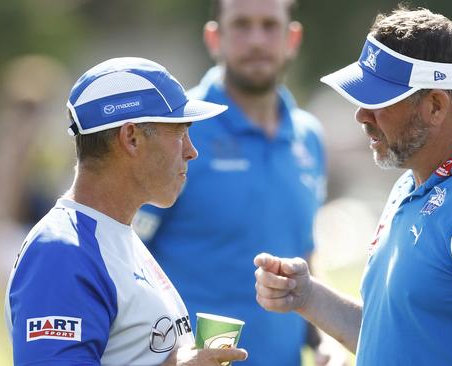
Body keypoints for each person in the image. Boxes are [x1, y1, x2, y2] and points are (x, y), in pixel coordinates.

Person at [254, 6, 452, 366]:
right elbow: (396, 335)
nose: (361, 115)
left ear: (435, 106)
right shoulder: (413, 183)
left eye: (378, 101)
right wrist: (307, 295)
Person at [132, 1, 340, 365]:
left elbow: (303, 253)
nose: (256, 40)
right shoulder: (174, 129)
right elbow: (120, 258)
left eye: (269, 26)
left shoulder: (309, 137)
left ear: (293, 39)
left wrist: (325, 338)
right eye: (241, 25)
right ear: (214, 38)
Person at [4, 57, 248, 366]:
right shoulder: (62, 252)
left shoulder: (114, 234)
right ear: (131, 138)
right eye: (179, 131)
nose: (191, 150)